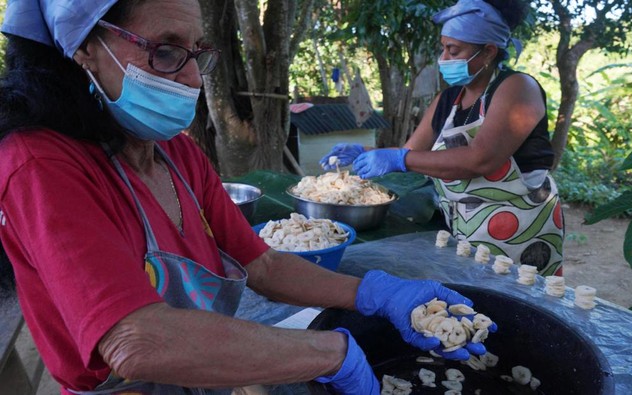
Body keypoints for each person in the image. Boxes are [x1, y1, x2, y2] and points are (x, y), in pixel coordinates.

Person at [0, 1, 498, 394]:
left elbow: (261, 265)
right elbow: (135, 340)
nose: (194, 78)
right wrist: (330, 354)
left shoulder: (175, 152)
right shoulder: (41, 166)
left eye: (197, 52)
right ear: (84, 46)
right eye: (165, 51)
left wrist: (375, 292)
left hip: (206, 377)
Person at [321, 0, 564, 276]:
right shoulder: (448, 99)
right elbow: (413, 152)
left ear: (488, 52)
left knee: (521, 301)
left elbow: (480, 159)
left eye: (454, 50)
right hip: (466, 226)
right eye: (443, 48)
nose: (444, 59)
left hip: (522, 228)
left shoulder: (518, 87)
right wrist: (364, 151)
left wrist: (401, 159)